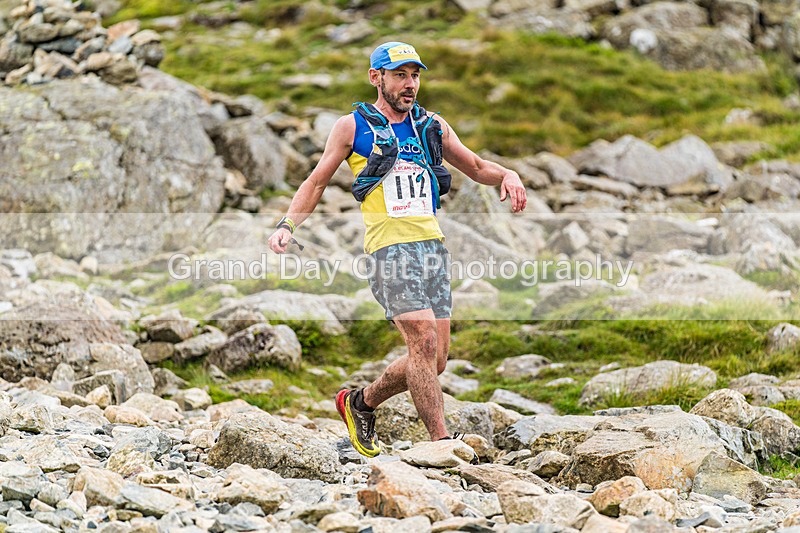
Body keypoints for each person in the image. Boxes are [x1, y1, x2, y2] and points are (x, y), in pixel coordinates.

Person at [268, 42, 527, 457]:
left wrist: (508, 174)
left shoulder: (432, 125)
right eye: (400, 75)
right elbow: (316, 182)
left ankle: (360, 403)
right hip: (389, 249)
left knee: (435, 360)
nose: (410, 85)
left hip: (432, 250)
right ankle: (440, 442)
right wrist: (287, 223)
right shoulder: (352, 126)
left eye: (416, 75)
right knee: (422, 341)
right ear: (377, 78)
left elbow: (477, 167)